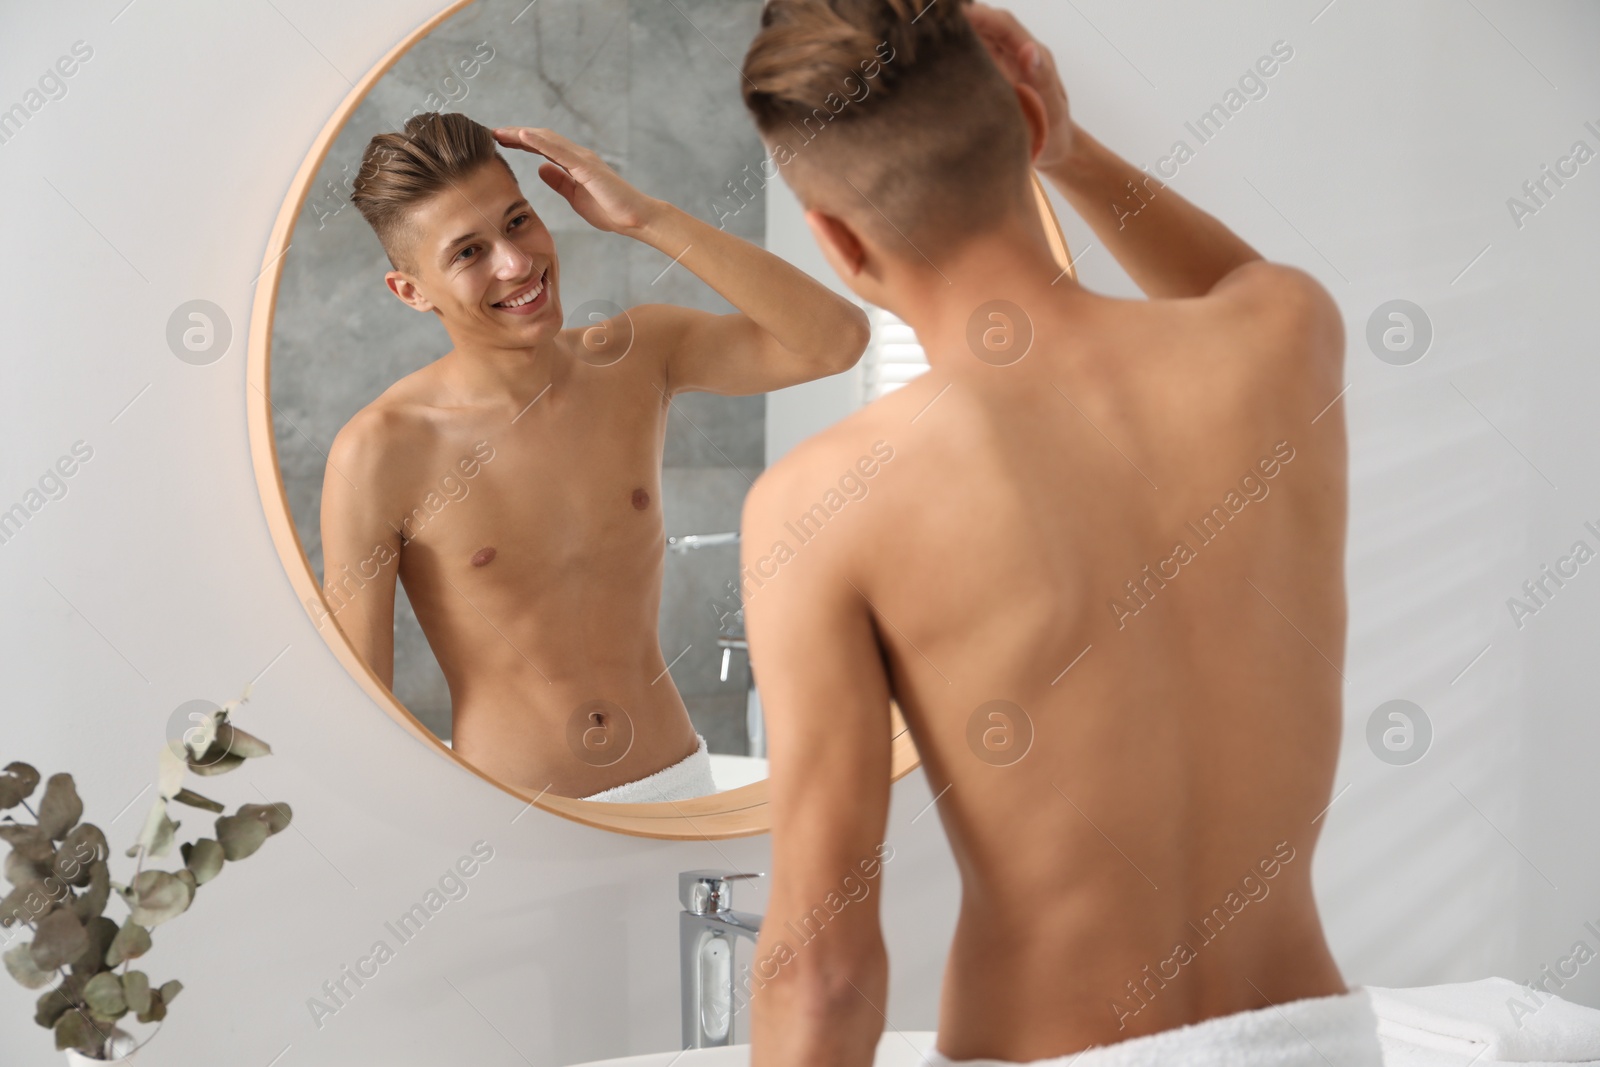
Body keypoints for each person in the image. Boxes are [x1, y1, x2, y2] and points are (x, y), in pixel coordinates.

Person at [736, 2, 1376, 1065]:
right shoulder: (1284, 341)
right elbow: (1231, 285)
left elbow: (824, 968)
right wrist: (1067, 148)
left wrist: (1041, 131)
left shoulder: (828, 500)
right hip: (1313, 1038)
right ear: (1027, 119)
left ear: (834, 239)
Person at [319, 111, 870, 802]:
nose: (516, 263)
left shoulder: (637, 357)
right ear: (411, 290)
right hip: (519, 820)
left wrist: (646, 218)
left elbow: (835, 341)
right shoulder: (381, 450)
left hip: (681, 787)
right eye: (468, 252)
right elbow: (357, 708)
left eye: (518, 221)